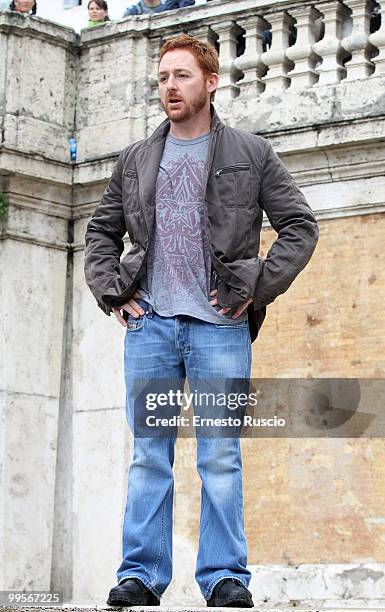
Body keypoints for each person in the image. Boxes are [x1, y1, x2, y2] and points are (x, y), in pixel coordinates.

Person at [84, 34, 319, 608]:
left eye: (182, 76)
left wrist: (255, 288)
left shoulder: (252, 153)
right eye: (163, 77)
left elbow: (300, 226)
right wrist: (115, 292)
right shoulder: (137, 158)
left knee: (218, 453)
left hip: (219, 328)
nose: (170, 86)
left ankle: (224, 577)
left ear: (211, 82)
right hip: (152, 330)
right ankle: (141, 574)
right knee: (149, 455)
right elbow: (100, 233)